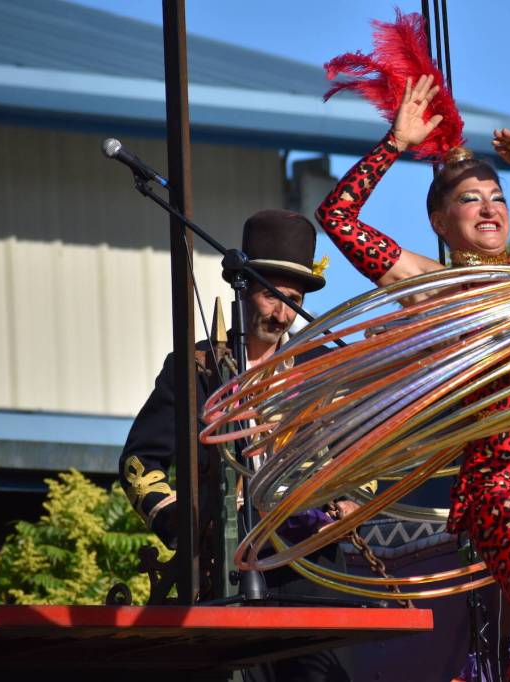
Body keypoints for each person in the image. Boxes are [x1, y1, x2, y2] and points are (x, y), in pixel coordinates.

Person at [316, 66, 510, 681]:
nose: (489, 208)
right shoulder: (433, 287)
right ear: (440, 222)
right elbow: (338, 217)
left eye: (497, 196)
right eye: (470, 199)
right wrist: (394, 146)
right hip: (503, 478)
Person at [119, 209, 352, 682]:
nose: (282, 313)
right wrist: (182, 522)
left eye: (293, 301)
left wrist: (350, 500)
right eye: (272, 296)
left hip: (311, 562)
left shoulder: (325, 368)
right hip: (223, 561)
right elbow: (140, 461)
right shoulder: (197, 366)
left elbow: (362, 446)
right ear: (243, 290)